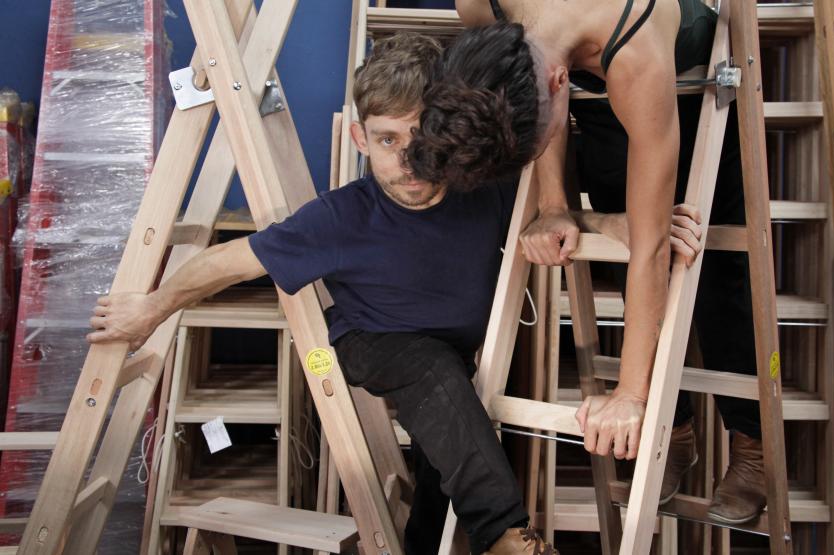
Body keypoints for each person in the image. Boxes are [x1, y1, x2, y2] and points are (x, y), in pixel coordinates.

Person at [86, 33, 698, 554]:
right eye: (385, 140)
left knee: (447, 460)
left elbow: (550, 220)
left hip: (464, 356)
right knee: (434, 377)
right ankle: (508, 537)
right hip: (376, 341)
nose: (406, 160)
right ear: (359, 138)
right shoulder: (340, 217)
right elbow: (227, 262)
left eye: (418, 137)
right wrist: (150, 309)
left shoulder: (480, 183)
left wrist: (626, 226)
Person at [406, 0, 766, 525]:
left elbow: (650, 247)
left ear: (559, 83)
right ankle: (681, 433)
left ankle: (751, 447)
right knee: (622, 264)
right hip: (591, 83)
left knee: (709, 277)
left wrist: (630, 395)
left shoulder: (637, 56)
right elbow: (528, 92)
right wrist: (553, 206)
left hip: (681, 81)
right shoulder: (480, 7)